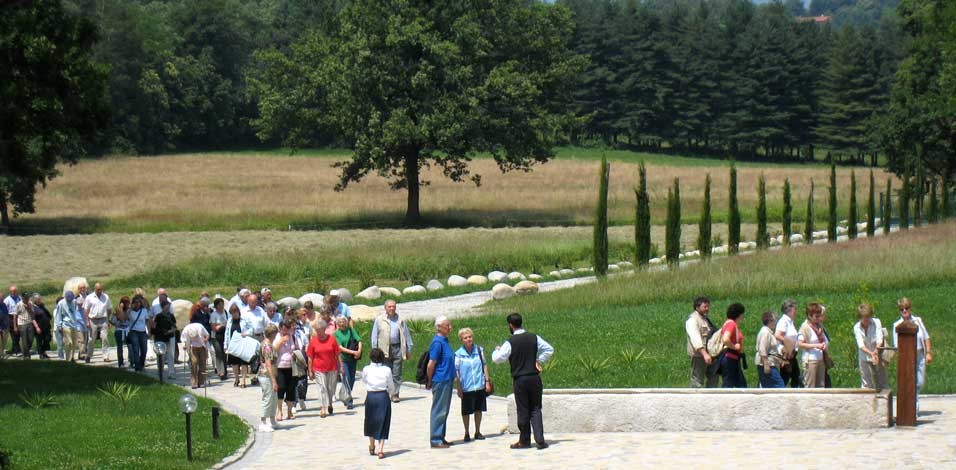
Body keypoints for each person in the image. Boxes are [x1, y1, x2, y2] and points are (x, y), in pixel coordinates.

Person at [492, 313, 553, 450]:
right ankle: (540, 440)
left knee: (523, 409)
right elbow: (549, 349)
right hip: (534, 378)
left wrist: (496, 351)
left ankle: (524, 440)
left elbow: (497, 359)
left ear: (510, 325)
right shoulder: (534, 337)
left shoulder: (510, 342)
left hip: (520, 379)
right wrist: (539, 360)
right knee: (536, 409)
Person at [893, 297, 932, 412]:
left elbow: (926, 338)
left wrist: (928, 353)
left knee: (919, 382)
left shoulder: (918, 320)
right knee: (909, 381)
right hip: (906, 357)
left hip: (919, 354)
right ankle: (914, 407)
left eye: (907, 308)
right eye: (902, 309)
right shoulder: (897, 324)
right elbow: (897, 344)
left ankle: (913, 401)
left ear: (910, 308)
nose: (904, 311)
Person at [370, 300, 413, 402]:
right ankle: (386, 393)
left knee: (397, 373)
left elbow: (406, 335)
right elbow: (374, 336)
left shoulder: (400, 320)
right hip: (383, 349)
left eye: (393, 306)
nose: (392, 308)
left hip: (397, 348)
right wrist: (375, 350)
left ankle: (395, 394)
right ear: (385, 308)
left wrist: (409, 349)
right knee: (385, 372)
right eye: (389, 307)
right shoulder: (379, 320)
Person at [455, 327, 490, 442]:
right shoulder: (458, 354)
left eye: (470, 337)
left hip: (479, 385)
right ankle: (466, 432)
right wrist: (459, 387)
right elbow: (457, 371)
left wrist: (487, 382)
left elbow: (484, 365)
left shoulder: (479, 350)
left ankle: (478, 431)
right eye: (465, 338)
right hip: (466, 387)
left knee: (478, 410)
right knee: (466, 411)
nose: (469, 339)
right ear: (461, 340)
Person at [426, 316, 456, 448]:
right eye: (447, 325)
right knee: (439, 410)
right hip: (440, 379)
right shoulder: (437, 343)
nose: (450, 328)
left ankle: (441, 436)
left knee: (444, 410)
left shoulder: (445, 340)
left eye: (449, 325)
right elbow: (431, 363)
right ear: (439, 327)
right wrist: (429, 380)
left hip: (447, 379)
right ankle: (436, 439)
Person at [363, 348, 396, 459]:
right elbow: (391, 385)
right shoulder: (387, 370)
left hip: (371, 396)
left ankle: (372, 445)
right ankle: (380, 449)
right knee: (383, 421)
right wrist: (391, 394)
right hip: (383, 396)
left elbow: (364, 380)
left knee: (370, 421)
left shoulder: (366, 369)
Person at [307, 318, 340, 418]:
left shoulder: (332, 339)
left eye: (319, 330)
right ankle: (323, 408)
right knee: (322, 387)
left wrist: (341, 366)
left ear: (324, 329)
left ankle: (329, 403)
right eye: (316, 330)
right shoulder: (313, 341)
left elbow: (337, 354)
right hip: (318, 368)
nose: (318, 332)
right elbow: (310, 357)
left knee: (330, 388)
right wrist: (310, 370)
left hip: (332, 367)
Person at [854, 303, 888, 390]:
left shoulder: (877, 322)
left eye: (868, 317)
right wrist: (871, 353)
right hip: (864, 356)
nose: (866, 321)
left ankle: (883, 400)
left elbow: (879, 339)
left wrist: (876, 352)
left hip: (878, 354)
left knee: (881, 381)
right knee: (866, 383)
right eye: (864, 318)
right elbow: (860, 345)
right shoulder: (856, 327)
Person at [685, 296, 717, 388]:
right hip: (699, 356)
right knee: (697, 381)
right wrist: (704, 354)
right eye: (705, 307)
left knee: (714, 376)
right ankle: (694, 400)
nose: (707, 309)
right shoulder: (692, 321)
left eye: (708, 306)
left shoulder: (705, 319)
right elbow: (695, 339)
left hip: (710, 354)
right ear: (697, 307)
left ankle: (710, 397)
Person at [273, 319, 302, 421]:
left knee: (291, 389)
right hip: (280, 366)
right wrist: (281, 341)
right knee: (281, 388)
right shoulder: (277, 337)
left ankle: (289, 411)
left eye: (288, 329)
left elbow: (298, 348)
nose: (286, 332)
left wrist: (295, 353)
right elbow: (273, 350)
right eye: (283, 329)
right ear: (280, 329)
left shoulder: (293, 337)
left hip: (292, 366)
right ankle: (279, 411)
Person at [334, 315, 362, 410]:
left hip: (353, 359)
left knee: (352, 379)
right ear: (337, 324)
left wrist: (359, 351)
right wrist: (354, 352)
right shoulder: (336, 334)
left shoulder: (351, 330)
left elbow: (359, 340)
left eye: (343, 321)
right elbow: (340, 348)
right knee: (347, 378)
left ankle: (344, 394)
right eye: (340, 322)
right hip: (343, 359)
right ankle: (349, 400)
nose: (342, 323)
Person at [797, 302, 828, 388]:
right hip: (810, 360)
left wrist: (824, 344)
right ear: (810, 316)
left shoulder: (819, 325)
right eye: (816, 316)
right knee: (810, 386)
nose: (818, 319)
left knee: (821, 386)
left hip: (820, 359)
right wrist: (816, 346)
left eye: (819, 316)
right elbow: (800, 344)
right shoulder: (804, 327)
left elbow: (823, 339)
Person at [774, 299, 802, 388]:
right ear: (789, 310)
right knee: (787, 376)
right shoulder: (784, 321)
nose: (796, 311)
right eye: (795, 309)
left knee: (795, 375)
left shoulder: (790, 322)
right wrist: (788, 344)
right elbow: (777, 335)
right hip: (786, 354)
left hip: (792, 353)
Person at [83, 282, 113, 363]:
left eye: (101, 289)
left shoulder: (105, 297)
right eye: (98, 289)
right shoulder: (89, 297)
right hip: (93, 319)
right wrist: (87, 321)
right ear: (95, 289)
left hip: (103, 319)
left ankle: (106, 356)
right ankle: (88, 355)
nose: (99, 291)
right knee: (91, 339)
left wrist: (109, 319)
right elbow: (86, 310)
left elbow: (110, 309)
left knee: (105, 338)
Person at [258, 324, 279, 433]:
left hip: (272, 375)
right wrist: (273, 380)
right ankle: (263, 422)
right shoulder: (267, 346)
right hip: (266, 375)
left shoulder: (269, 344)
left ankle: (272, 420)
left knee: (274, 398)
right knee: (268, 398)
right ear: (272, 334)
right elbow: (268, 364)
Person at [720, 303, 747, 388]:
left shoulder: (730, 323)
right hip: (729, 358)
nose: (743, 315)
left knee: (740, 384)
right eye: (742, 313)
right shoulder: (731, 324)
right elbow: (725, 339)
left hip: (732, 358)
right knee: (729, 385)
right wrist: (735, 347)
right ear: (738, 314)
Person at [225, 303, 252, 387]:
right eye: (232, 312)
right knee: (234, 363)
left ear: (238, 312)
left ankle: (243, 380)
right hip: (233, 344)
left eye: (235, 312)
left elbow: (251, 329)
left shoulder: (244, 319)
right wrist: (225, 345)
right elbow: (226, 333)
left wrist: (246, 333)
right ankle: (236, 378)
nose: (234, 314)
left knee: (244, 362)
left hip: (243, 343)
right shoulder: (229, 321)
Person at [150, 298, 178, 380]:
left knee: (170, 355)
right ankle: (160, 372)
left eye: (169, 306)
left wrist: (170, 331)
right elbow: (154, 327)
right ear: (163, 307)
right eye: (167, 306)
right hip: (160, 337)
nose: (168, 308)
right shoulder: (158, 316)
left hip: (170, 337)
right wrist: (160, 332)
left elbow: (174, 326)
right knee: (161, 356)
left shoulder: (171, 316)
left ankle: (171, 373)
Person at [756, 311, 784, 388]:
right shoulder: (765, 332)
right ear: (770, 320)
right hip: (767, 363)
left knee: (768, 386)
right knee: (779, 385)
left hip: (770, 362)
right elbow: (762, 349)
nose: (776, 322)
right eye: (775, 320)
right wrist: (766, 364)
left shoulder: (768, 332)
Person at [181, 318, 210, 389]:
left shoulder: (200, 327)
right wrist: (184, 345)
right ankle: (194, 382)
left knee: (202, 363)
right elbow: (183, 339)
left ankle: (201, 381)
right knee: (194, 362)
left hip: (202, 346)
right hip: (192, 347)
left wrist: (206, 339)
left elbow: (207, 335)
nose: (194, 338)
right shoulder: (186, 330)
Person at [126, 295, 150, 372]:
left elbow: (147, 321)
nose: (137, 304)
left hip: (142, 332)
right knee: (136, 349)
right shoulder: (130, 311)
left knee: (144, 350)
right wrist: (130, 309)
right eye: (135, 302)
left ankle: (141, 364)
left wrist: (149, 331)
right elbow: (125, 317)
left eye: (139, 302)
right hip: (134, 331)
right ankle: (137, 366)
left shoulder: (144, 310)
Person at [55, 291, 81, 361]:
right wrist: (59, 326)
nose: (70, 300)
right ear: (65, 297)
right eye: (68, 299)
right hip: (66, 325)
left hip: (74, 325)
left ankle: (72, 358)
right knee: (69, 343)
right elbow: (58, 315)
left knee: (74, 344)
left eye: (71, 299)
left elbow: (74, 311)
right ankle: (68, 359)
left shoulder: (74, 302)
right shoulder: (61, 303)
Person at [14, 295, 40, 359]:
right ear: (23, 298)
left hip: (30, 323)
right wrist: (15, 326)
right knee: (24, 340)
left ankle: (25, 352)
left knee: (31, 339)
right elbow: (15, 316)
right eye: (25, 298)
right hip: (22, 324)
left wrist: (28, 308)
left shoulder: (30, 303)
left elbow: (32, 314)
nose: (27, 299)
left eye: (27, 298)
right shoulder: (18, 304)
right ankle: (26, 356)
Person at [210, 298, 229, 380]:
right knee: (219, 353)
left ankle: (225, 370)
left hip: (224, 335)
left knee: (224, 353)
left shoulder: (225, 313)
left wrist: (222, 325)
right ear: (216, 306)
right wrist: (221, 325)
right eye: (220, 304)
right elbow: (214, 328)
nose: (222, 306)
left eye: (222, 304)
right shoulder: (213, 315)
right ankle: (220, 371)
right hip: (216, 336)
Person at [111, 296, 132, 368]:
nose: (127, 304)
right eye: (126, 302)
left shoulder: (129, 310)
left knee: (130, 346)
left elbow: (126, 317)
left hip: (127, 329)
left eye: (128, 302)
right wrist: (121, 309)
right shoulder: (117, 309)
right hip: (119, 330)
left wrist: (125, 310)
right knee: (120, 347)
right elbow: (119, 318)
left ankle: (131, 361)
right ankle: (121, 363)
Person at [32, 295, 52, 359]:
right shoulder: (33, 307)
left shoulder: (42, 306)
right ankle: (41, 354)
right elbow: (33, 319)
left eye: (40, 299)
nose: (39, 300)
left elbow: (48, 315)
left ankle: (43, 352)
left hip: (46, 327)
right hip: (39, 327)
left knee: (48, 339)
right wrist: (37, 327)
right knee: (39, 341)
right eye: (38, 299)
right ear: (35, 300)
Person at [5, 285, 22, 356]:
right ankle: (17, 349)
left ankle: (14, 349)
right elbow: (5, 310)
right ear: (10, 292)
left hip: (19, 317)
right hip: (11, 318)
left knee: (18, 334)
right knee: (14, 334)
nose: (13, 292)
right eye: (12, 291)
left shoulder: (19, 298)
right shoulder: (7, 300)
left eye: (14, 291)